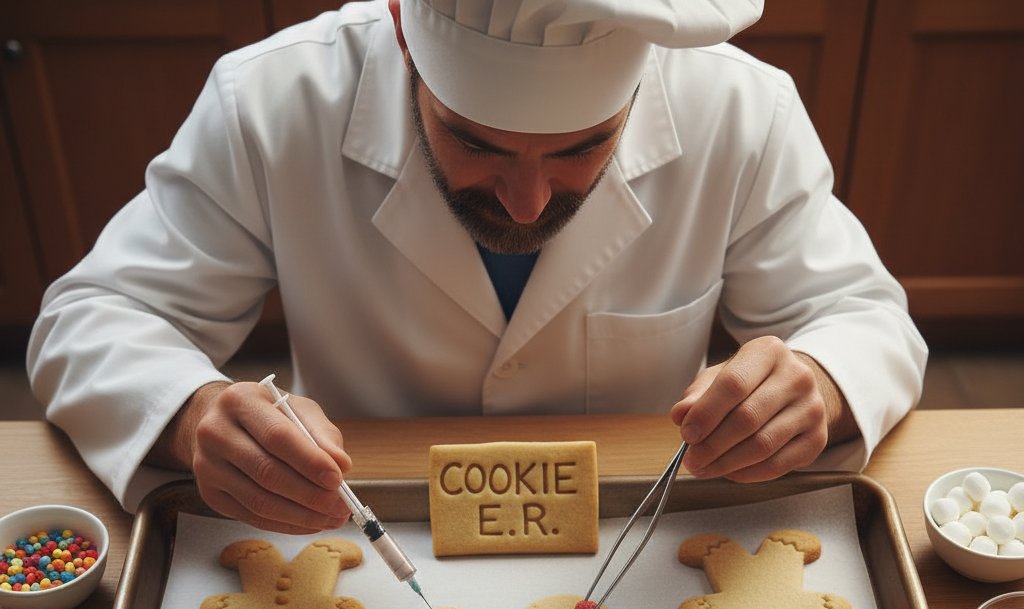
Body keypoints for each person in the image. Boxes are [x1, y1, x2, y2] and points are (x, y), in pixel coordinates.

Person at [27, 0, 927, 535]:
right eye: (474, 142)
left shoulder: (744, 112)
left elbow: (866, 319)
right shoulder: (272, 102)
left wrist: (819, 379)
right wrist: (191, 417)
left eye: (582, 150)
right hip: (349, 533)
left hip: (637, 541)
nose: (529, 202)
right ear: (402, 37)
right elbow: (93, 317)